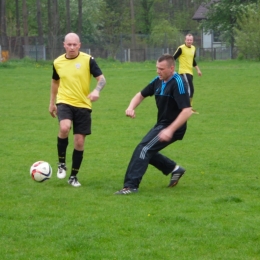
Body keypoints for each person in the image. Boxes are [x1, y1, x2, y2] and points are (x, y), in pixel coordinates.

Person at [115, 54, 192, 195]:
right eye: (157, 68)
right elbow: (140, 94)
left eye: (161, 69)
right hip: (162, 124)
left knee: (143, 149)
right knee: (147, 149)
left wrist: (170, 130)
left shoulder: (178, 83)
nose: (158, 71)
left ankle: (130, 186)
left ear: (171, 68)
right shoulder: (158, 80)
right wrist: (131, 107)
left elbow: (187, 111)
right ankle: (174, 169)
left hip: (174, 126)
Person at [49, 32, 106, 187]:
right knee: (64, 127)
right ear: (64, 45)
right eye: (69, 44)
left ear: (79, 45)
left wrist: (96, 90)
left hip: (83, 104)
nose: (72, 47)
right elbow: (55, 82)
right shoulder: (57, 62)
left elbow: (102, 79)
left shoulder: (88, 60)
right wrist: (52, 102)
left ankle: (73, 176)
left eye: (75, 44)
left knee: (79, 142)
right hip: (64, 101)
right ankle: (61, 163)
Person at [173, 33, 202, 113]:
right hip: (183, 72)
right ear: (185, 40)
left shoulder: (193, 48)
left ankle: (183, 107)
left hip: (190, 72)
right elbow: (173, 58)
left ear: (192, 41)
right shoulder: (181, 48)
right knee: (190, 90)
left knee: (186, 90)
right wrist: (170, 68)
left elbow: (193, 60)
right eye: (188, 40)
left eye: (191, 40)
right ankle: (188, 108)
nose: (189, 41)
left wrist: (198, 70)